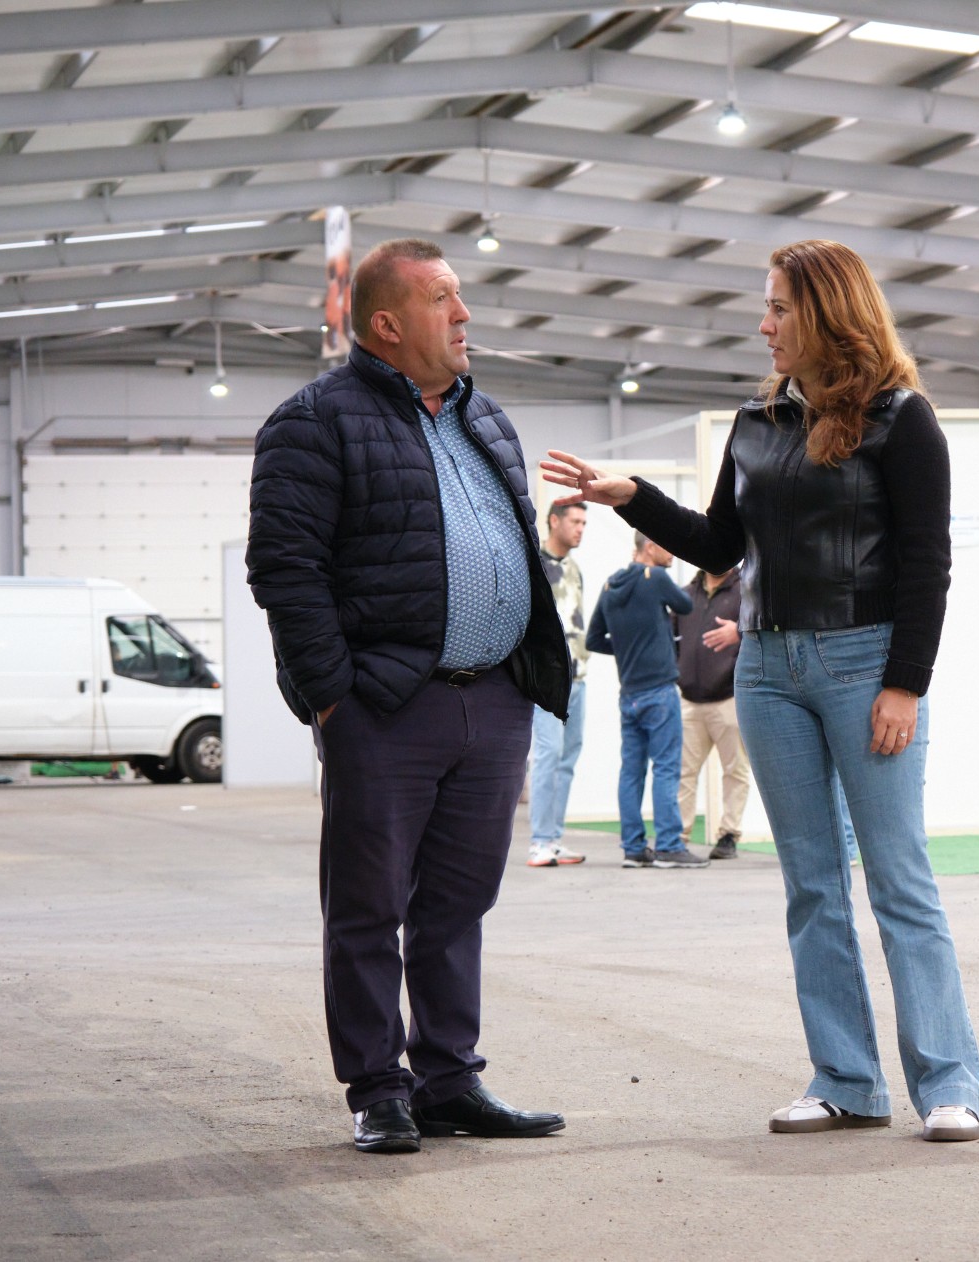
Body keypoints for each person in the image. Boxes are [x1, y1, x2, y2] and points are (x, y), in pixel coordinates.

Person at [543, 238, 979, 1143]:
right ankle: (845, 1080)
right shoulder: (757, 423)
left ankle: (948, 1081)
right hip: (769, 670)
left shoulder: (904, 420)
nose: (764, 323)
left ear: (827, 311)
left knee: (899, 880)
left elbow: (926, 566)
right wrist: (632, 496)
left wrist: (905, 684)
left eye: (779, 306)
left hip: (867, 666)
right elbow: (716, 544)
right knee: (811, 885)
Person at [247, 237, 568, 1155]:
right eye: (444, 300)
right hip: (385, 706)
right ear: (387, 324)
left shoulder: (488, 420)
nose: (465, 316)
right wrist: (331, 697)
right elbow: (285, 570)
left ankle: (448, 1078)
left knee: (458, 901)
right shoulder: (314, 422)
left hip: (493, 700)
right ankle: (377, 1086)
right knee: (367, 905)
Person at [586, 534, 706, 869]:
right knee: (667, 768)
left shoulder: (610, 586)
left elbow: (595, 639)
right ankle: (668, 845)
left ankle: (634, 848)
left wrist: (626, 650)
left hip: (629, 695)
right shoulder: (657, 579)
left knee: (631, 772)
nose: (672, 552)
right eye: (666, 545)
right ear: (650, 547)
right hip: (660, 692)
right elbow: (686, 606)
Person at [674, 566, 751, 861]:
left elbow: (761, 632)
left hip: (728, 698)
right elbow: (672, 637)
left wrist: (739, 632)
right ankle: (678, 835)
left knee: (735, 770)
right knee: (684, 772)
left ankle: (728, 835)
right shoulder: (685, 595)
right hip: (690, 700)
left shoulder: (746, 590)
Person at [528, 503, 590, 867]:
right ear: (554, 521)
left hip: (578, 677)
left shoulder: (574, 568)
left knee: (567, 758)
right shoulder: (535, 564)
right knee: (548, 754)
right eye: (575, 521)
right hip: (548, 679)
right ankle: (538, 841)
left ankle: (553, 838)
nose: (581, 528)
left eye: (584, 522)